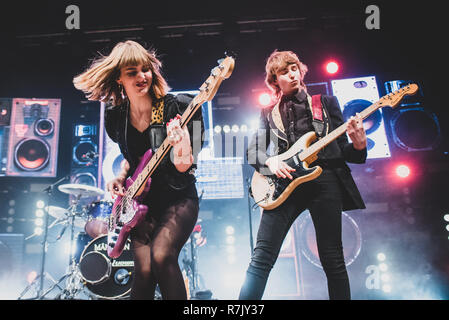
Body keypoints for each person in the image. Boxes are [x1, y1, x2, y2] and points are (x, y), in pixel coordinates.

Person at [73, 40, 204, 300]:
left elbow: (185, 165)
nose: (142, 76)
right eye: (132, 72)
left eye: (145, 69)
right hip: (140, 206)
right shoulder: (115, 117)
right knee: (143, 270)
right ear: (119, 78)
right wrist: (119, 177)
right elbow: (131, 159)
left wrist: (182, 141)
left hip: (179, 198)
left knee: (162, 255)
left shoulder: (181, 106)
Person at [240, 50, 367, 300]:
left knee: (332, 258)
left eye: (294, 68)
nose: (291, 74)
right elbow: (253, 152)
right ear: (274, 80)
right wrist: (271, 162)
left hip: (324, 180)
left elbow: (343, 151)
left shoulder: (326, 103)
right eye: (284, 71)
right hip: (284, 183)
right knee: (261, 256)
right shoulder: (269, 113)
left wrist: (360, 145)